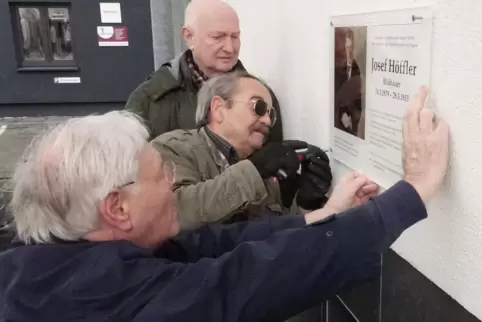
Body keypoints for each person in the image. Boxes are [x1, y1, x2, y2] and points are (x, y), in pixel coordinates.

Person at [0, 85, 449, 321]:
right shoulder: (105, 295)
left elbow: (213, 245)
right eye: (163, 174)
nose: (173, 179)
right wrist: (413, 190)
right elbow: (244, 279)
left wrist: (323, 214)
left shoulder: (56, 261)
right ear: (118, 208)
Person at [151, 71, 333, 230]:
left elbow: (274, 234)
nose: (267, 121)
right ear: (219, 108)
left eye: (271, 114)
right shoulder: (172, 148)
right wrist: (254, 169)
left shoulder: (266, 171)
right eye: (258, 107)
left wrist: (306, 202)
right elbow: (175, 214)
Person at [124, 0, 284, 144]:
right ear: (189, 36)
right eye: (218, 37)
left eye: (235, 36)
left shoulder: (261, 97)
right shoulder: (149, 99)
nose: (229, 48)